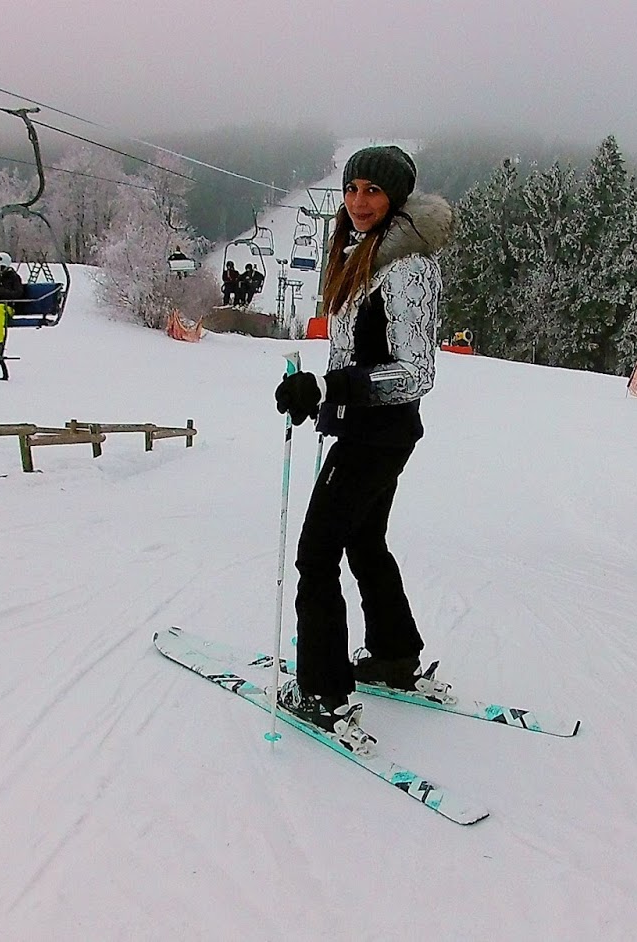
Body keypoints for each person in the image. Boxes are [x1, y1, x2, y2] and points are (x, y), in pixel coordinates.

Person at [271, 145, 453, 741]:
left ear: (395, 197)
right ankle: (394, 656)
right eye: (352, 190)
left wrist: (333, 387)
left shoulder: (405, 265)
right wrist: (317, 391)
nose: (359, 202)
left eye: (372, 191)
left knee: (316, 555)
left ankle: (322, 690)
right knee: (366, 542)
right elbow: (354, 356)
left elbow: (416, 371)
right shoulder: (362, 255)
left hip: (377, 433)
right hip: (371, 428)